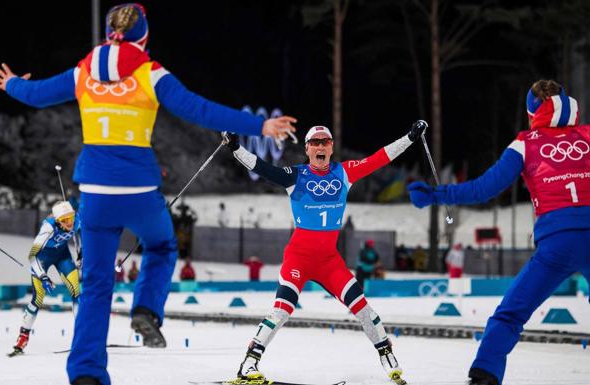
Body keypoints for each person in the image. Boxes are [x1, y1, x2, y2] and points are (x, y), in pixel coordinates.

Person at [0, 4, 296, 384]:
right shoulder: (151, 74)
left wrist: (11, 84)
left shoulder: (82, 72)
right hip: (139, 191)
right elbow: (200, 110)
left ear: (107, 33)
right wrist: (260, 125)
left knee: (96, 285)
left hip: (96, 196)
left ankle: (86, 374)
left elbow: (37, 94)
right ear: (144, 36)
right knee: (162, 246)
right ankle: (147, 311)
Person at [408, 79, 590, 385]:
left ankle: (485, 376)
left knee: (510, 315)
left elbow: (483, 189)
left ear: (532, 114)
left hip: (556, 244)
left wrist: (436, 195)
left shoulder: (525, 143)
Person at [227, 121, 427, 385]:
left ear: (331, 148)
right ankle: (249, 363)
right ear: (307, 149)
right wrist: (236, 148)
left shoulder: (344, 172)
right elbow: (262, 168)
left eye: (325, 142)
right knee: (282, 310)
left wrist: (410, 138)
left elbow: (380, 158)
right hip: (299, 257)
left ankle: (388, 358)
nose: (320, 147)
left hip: (328, 262)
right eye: (315, 143)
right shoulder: (295, 175)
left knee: (363, 308)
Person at [8, 201, 81, 357]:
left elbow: (78, 233)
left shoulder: (76, 219)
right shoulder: (48, 228)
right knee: (38, 297)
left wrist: (81, 253)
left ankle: (83, 336)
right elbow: (32, 255)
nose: (69, 223)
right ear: (57, 221)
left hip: (63, 256)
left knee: (76, 291)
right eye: (65, 220)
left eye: (71, 218)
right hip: (42, 260)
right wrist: (43, 276)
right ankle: (22, 337)